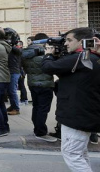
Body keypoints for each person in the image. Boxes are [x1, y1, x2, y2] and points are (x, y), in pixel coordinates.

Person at [41, 28, 100, 171]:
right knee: (80, 152)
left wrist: (48, 55)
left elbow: (48, 67)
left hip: (76, 114)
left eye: (69, 40)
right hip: (85, 113)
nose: (66, 44)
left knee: (72, 154)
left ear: (81, 41)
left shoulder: (80, 58)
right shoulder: (93, 57)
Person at [22, 33, 57, 143]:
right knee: (43, 109)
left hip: (32, 84)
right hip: (45, 85)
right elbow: (51, 67)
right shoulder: (45, 54)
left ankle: (37, 128)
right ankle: (40, 132)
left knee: (36, 107)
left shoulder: (26, 53)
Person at [6, 41, 22, 115]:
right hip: (10, 71)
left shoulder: (16, 49)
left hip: (14, 72)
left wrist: (11, 44)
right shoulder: (11, 49)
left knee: (12, 91)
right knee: (10, 91)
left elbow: (19, 51)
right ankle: (13, 106)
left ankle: (16, 108)